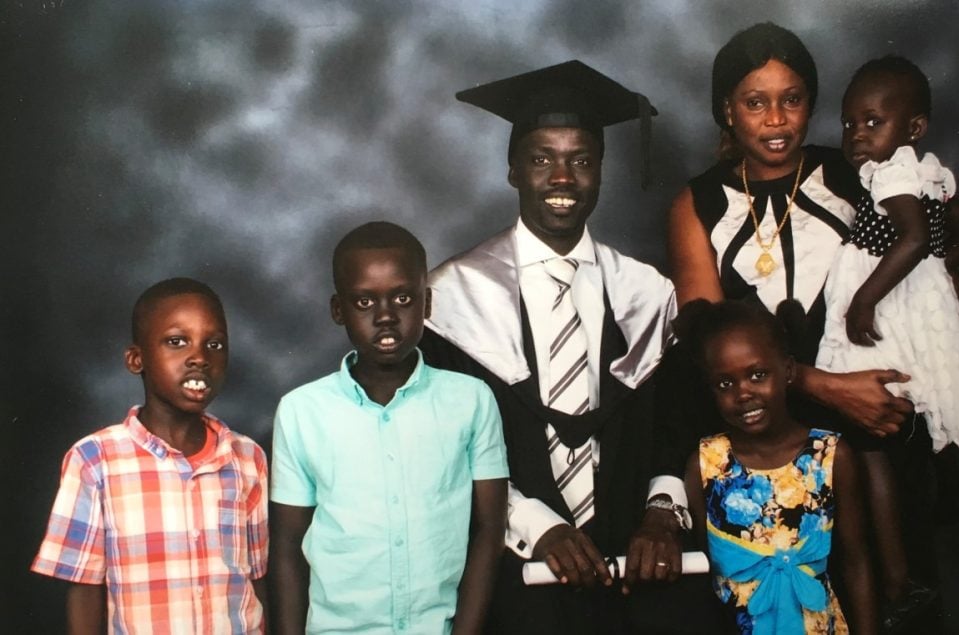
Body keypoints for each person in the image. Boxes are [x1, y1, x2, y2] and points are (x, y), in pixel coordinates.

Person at [420, 60, 720, 634]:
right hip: (514, 556)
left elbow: (674, 428)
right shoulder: (452, 299)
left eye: (581, 160)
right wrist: (537, 525)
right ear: (512, 172)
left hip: (636, 556)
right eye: (541, 159)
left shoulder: (647, 294)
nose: (563, 178)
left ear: (601, 171)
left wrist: (661, 513)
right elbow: (443, 448)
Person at [665, 22, 919, 612]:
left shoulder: (859, 178)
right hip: (763, 448)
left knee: (885, 592)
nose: (776, 120)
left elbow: (917, 278)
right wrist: (824, 386)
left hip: (871, 427)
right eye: (756, 103)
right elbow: (702, 338)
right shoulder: (696, 203)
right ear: (726, 110)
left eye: (792, 100)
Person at [269, 221, 509, 634]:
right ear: (337, 309)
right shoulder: (300, 412)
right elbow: (288, 549)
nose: (385, 318)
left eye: (402, 298)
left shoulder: (472, 400)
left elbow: (490, 530)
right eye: (364, 302)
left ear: (427, 302)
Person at [31, 277, 268, 633]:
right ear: (136, 359)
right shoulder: (95, 460)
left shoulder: (247, 457)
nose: (200, 357)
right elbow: (83, 589)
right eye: (177, 341)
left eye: (215, 344)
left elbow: (256, 576)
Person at [816, 55, 959, 515]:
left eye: (873, 121)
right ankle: (951, 485)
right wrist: (937, 273)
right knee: (930, 385)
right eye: (849, 123)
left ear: (914, 128)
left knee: (882, 393)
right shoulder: (927, 174)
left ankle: (895, 499)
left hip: (885, 295)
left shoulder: (890, 174)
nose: (857, 135)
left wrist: (864, 300)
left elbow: (911, 238)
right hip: (915, 294)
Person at [682, 299, 877, 634]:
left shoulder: (829, 455)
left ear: (787, 371)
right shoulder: (706, 462)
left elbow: (857, 563)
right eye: (725, 384)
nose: (743, 393)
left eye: (757, 375)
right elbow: (704, 573)